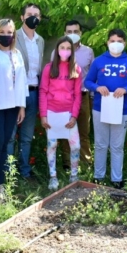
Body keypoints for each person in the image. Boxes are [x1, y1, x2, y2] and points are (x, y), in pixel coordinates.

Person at [85, 29, 127, 188]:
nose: (115, 44)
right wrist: (97, 87)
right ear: (107, 43)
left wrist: (126, 90)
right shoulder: (98, 61)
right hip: (100, 108)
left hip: (122, 110)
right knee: (101, 144)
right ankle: (98, 176)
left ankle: (116, 179)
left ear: (125, 43)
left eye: (119, 41)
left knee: (117, 146)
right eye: (112, 41)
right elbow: (87, 82)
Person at [0, 19, 27, 203]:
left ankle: (0, 183)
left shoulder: (17, 54)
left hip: (12, 107)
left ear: (14, 34)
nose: (6, 35)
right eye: (2, 32)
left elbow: (22, 81)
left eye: (9, 32)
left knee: (5, 145)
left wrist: (22, 106)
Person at [51, 20, 95, 170]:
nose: (72, 34)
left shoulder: (88, 52)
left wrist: (93, 97)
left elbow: (92, 76)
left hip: (83, 97)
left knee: (83, 132)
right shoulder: (57, 52)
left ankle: (86, 164)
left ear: (80, 33)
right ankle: (68, 166)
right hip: (64, 100)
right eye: (69, 32)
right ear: (64, 34)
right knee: (65, 133)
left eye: (75, 31)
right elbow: (52, 76)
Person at [7, 3, 45, 180]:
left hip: (34, 92)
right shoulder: (13, 37)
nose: (33, 17)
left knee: (27, 136)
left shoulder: (41, 40)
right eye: (29, 14)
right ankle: (7, 172)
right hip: (15, 92)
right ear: (22, 17)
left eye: (36, 15)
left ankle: (24, 170)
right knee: (10, 134)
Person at [40, 36, 82, 190]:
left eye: (68, 48)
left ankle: (74, 175)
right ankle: (53, 177)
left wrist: (74, 116)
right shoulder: (49, 68)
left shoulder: (76, 69)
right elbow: (43, 91)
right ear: (57, 50)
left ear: (72, 50)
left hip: (69, 114)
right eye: (62, 47)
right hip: (52, 113)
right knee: (52, 146)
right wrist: (43, 115)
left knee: (76, 146)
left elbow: (78, 95)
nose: (65, 51)